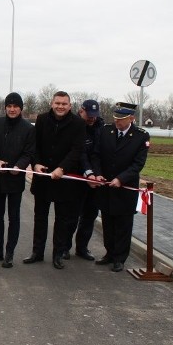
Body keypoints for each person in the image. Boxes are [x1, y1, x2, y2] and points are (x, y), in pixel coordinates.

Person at [25, 91, 85, 269]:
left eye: (64, 104)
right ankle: (37, 252)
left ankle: (58, 254)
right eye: (57, 103)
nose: (60, 106)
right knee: (40, 217)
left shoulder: (78, 124)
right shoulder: (42, 119)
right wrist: (35, 164)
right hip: (43, 177)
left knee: (62, 219)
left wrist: (62, 168)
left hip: (64, 179)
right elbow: (34, 145)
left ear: (70, 106)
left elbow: (77, 150)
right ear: (52, 104)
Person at [90, 102, 150, 272]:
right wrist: (98, 173)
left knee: (123, 224)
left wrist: (121, 179)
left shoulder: (141, 136)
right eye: (115, 118)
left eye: (121, 119)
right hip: (106, 186)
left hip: (125, 188)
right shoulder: (105, 131)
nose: (117, 122)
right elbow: (96, 155)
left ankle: (120, 258)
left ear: (131, 118)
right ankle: (109, 253)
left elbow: (138, 164)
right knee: (107, 222)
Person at [0, 92, 35, 268]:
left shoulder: (28, 128)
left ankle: (9, 253)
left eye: (15, 106)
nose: (12, 109)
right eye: (9, 106)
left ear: (21, 108)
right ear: (5, 107)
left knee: (14, 217)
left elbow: (29, 152)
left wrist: (19, 166)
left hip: (15, 179)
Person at [69, 99, 105, 261]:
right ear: (81, 111)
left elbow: (99, 154)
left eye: (94, 116)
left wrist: (96, 174)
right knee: (71, 215)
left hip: (95, 180)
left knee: (90, 215)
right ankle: (64, 248)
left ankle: (82, 247)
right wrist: (88, 173)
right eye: (89, 115)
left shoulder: (101, 129)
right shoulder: (74, 126)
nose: (92, 118)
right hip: (77, 177)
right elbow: (80, 153)